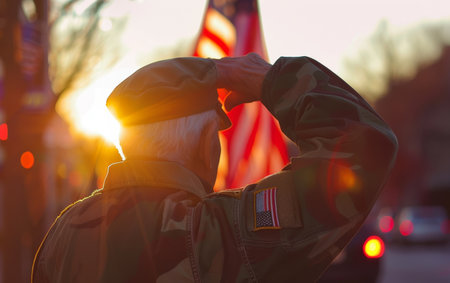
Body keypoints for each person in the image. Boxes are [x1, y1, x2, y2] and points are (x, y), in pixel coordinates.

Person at [32, 53, 398, 282]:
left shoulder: (63, 233)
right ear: (207, 141)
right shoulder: (212, 231)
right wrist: (274, 81)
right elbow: (364, 144)